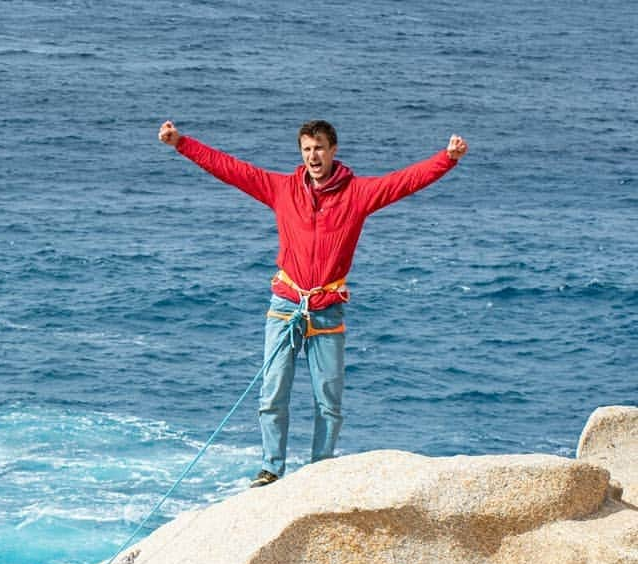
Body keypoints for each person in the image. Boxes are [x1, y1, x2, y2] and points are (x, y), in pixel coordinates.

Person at [159, 119, 468, 486]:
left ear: (333, 150)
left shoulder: (358, 193)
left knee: (329, 401)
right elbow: (231, 169)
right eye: (306, 149)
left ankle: (320, 470)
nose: (313, 156)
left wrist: (447, 159)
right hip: (286, 304)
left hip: (326, 308)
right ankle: (272, 467)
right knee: (273, 392)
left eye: (319, 148)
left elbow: (404, 181)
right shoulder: (282, 189)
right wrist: (181, 143)